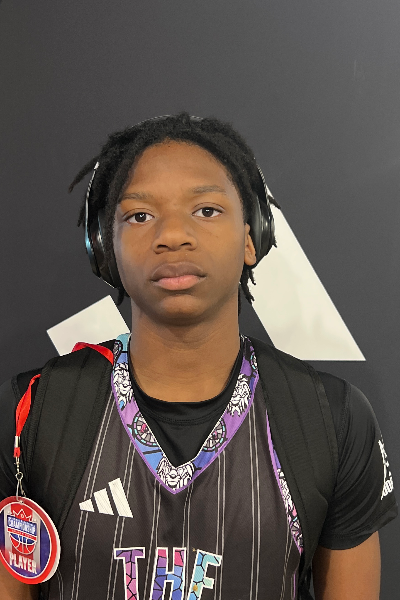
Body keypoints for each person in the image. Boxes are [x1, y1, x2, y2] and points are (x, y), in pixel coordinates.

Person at [0, 113, 397, 600]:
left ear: (250, 237)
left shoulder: (330, 418)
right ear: (105, 249)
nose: (173, 235)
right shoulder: (31, 412)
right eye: (139, 216)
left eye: (206, 210)